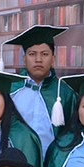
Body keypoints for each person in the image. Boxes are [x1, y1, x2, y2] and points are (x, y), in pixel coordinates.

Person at [5, 25, 77, 153]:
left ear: (53, 59)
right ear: (24, 59)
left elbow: (72, 133)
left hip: (51, 159)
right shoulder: (10, 89)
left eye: (45, 54)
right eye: (32, 54)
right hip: (15, 158)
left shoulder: (65, 93)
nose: (38, 59)